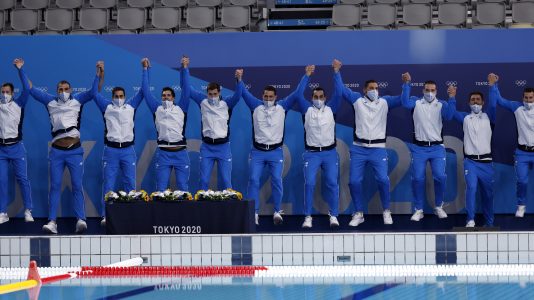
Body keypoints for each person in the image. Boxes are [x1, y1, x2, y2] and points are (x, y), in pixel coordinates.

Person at [27, 62, 101, 234]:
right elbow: (31, 89)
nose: (63, 92)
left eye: (66, 89)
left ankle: (80, 219)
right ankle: (52, 222)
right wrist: (21, 69)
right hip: (57, 152)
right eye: (60, 89)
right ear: (56, 90)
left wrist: (98, 72)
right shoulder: (50, 102)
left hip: (75, 151)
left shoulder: (77, 101)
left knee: (77, 185)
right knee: (55, 186)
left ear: (71, 90)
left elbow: (93, 91)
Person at [339, 74, 410, 227]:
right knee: (354, 181)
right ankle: (359, 213)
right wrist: (337, 72)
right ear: (364, 90)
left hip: (378, 149)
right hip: (359, 149)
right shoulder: (357, 100)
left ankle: (386, 210)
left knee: (383, 180)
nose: (374, 90)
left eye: (376, 88)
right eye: (371, 88)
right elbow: (342, 90)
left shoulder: (385, 102)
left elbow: (403, 100)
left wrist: (406, 84)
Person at [238, 67, 306, 225]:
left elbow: (297, 93)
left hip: (275, 152)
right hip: (257, 153)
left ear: (276, 97)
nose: (268, 99)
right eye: (265, 96)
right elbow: (243, 93)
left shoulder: (282, 107)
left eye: (270, 97)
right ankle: (253, 213)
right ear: (262, 96)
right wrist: (239, 79)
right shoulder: (255, 106)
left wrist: (306, 76)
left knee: (276, 179)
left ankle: (277, 211)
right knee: (254, 179)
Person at [93, 61, 143, 227]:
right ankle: (106, 216)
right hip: (111, 151)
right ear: (112, 97)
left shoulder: (131, 107)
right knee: (109, 185)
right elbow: (94, 91)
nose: (119, 99)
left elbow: (143, 91)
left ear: (125, 97)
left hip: (128, 150)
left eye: (121, 96)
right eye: (116, 96)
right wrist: (100, 73)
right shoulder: (106, 107)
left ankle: (133, 215)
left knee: (130, 184)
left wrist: (144, 69)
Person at [294, 60, 343, 228]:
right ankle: (307, 216)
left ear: (325, 98)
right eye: (316, 97)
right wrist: (306, 76)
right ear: (312, 98)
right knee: (309, 183)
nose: (318, 99)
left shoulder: (331, 108)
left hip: (330, 153)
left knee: (332, 182)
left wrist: (336, 72)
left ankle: (334, 215)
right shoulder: (306, 109)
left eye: (321, 97)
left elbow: (340, 92)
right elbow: (298, 94)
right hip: (312, 154)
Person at [181, 58, 243, 191]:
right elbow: (187, 88)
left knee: (227, 181)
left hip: (223, 147)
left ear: (219, 93)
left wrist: (238, 80)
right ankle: (202, 210)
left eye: (215, 94)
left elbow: (238, 96)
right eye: (210, 94)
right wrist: (185, 68)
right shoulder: (202, 101)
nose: (213, 96)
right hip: (207, 147)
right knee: (203, 180)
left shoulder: (227, 103)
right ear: (207, 93)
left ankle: (229, 209)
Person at [400, 74, 455, 221]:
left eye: (432, 90)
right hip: (419, 148)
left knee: (440, 177)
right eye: (427, 90)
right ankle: (418, 209)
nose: (430, 93)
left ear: (436, 91)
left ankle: (438, 206)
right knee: (417, 178)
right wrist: (407, 84)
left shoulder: (442, 103)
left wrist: (452, 98)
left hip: (437, 148)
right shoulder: (415, 102)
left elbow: (449, 116)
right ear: (423, 91)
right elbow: (405, 103)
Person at [449, 82, 496, 227]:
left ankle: (489, 223)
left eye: (478, 100)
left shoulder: (489, 117)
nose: (475, 102)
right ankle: (470, 219)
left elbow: (494, 104)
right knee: (471, 188)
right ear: (469, 103)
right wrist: (452, 97)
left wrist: (493, 86)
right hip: (471, 162)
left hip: (487, 163)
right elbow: (450, 114)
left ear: (483, 102)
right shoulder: (465, 118)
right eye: (473, 100)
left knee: (488, 194)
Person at [141, 57, 191, 192]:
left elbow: (186, 89)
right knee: (161, 189)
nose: (166, 97)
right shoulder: (156, 109)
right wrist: (145, 69)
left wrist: (185, 68)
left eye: (169, 95)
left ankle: (184, 213)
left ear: (173, 97)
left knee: (183, 188)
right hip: (163, 153)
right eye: (163, 95)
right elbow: (146, 91)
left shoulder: (181, 108)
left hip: (180, 153)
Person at [489, 73, 534, 218]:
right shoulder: (517, 107)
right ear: (523, 98)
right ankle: (521, 205)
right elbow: (500, 101)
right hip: (522, 152)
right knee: (522, 180)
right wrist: (494, 85)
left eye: (531, 98)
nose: (528, 101)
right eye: (526, 98)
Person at [0, 59, 34, 224]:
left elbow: (28, 88)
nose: (4, 94)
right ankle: (2, 212)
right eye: (2, 92)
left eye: (7, 92)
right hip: (1, 149)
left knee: (22, 179)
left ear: (13, 93)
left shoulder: (19, 104)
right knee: (2, 180)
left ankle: (28, 210)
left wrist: (20, 69)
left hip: (17, 147)